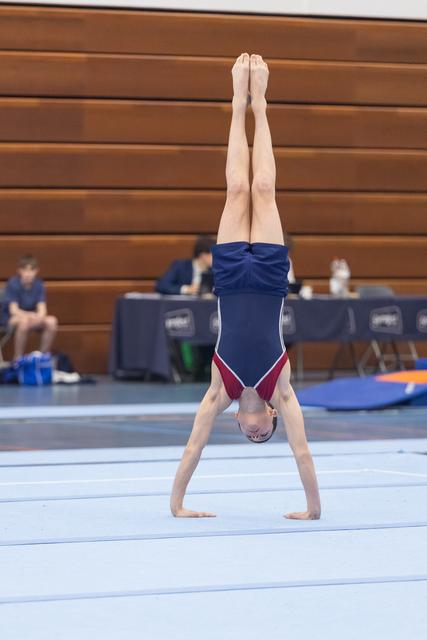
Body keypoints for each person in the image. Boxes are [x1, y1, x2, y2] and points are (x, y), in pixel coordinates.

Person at [170, 54, 321, 520]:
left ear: (238, 420)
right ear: (271, 417)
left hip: (232, 280)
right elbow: (302, 454)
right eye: (263, 434)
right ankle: (262, 104)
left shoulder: (220, 391)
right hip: (273, 280)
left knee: (238, 188)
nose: (255, 432)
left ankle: (238, 102)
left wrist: (177, 506)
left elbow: (194, 445)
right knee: (265, 188)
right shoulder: (284, 392)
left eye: (248, 435)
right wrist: (312, 510)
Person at [2, 255, 58, 360]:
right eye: (25, 270)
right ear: (19, 271)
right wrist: (30, 315)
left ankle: (41, 356)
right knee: (24, 322)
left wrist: (39, 316)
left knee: (52, 321)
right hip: (12, 318)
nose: (28, 274)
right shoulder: (13, 283)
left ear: (36, 271)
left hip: (32, 317)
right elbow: (13, 310)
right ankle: (18, 358)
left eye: (31, 270)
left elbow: (42, 308)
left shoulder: (39, 284)